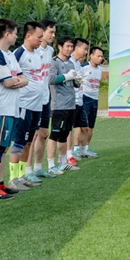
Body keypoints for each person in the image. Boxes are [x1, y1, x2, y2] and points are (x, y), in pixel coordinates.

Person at [0, 18, 28, 199]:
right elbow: (10, 82)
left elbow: (23, 78)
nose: (17, 37)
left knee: (4, 147)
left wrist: (17, 81)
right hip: (1, 109)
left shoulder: (10, 55)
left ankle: (0, 184)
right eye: (16, 33)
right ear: (7, 34)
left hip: (12, 108)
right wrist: (17, 81)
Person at [12, 21, 45, 189]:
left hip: (37, 106)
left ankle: (22, 174)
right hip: (23, 105)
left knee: (29, 142)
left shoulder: (38, 53)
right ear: (28, 36)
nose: (41, 40)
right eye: (39, 37)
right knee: (19, 142)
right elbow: (10, 75)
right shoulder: (18, 53)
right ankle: (13, 178)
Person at [47, 35, 81, 173]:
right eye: (67, 46)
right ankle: (50, 165)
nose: (69, 49)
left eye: (71, 46)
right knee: (54, 135)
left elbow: (74, 84)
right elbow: (51, 79)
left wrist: (77, 81)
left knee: (64, 134)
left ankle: (62, 162)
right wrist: (67, 76)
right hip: (59, 105)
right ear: (59, 47)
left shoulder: (71, 64)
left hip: (70, 104)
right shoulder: (54, 62)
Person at [30, 20, 58, 177]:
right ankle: (27, 170)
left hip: (45, 96)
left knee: (44, 133)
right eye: (50, 32)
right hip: (33, 98)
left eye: (54, 33)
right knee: (32, 135)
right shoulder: (33, 51)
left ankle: (38, 167)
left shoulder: (50, 50)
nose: (53, 35)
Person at [77, 46, 104, 158]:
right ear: (91, 56)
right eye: (98, 56)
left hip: (95, 99)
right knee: (81, 125)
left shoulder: (100, 69)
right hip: (85, 98)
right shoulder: (83, 68)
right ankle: (76, 148)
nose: (100, 58)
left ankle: (86, 148)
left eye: (101, 56)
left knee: (91, 125)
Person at [69, 38, 90, 160]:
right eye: (84, 49)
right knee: (68, 130)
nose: (85, 52)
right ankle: (68, 153)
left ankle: (82, 150)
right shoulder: (68, 62)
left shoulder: (79, 64)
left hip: (80, 101)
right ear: (77, 48)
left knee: (85, 127)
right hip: (71, 101)